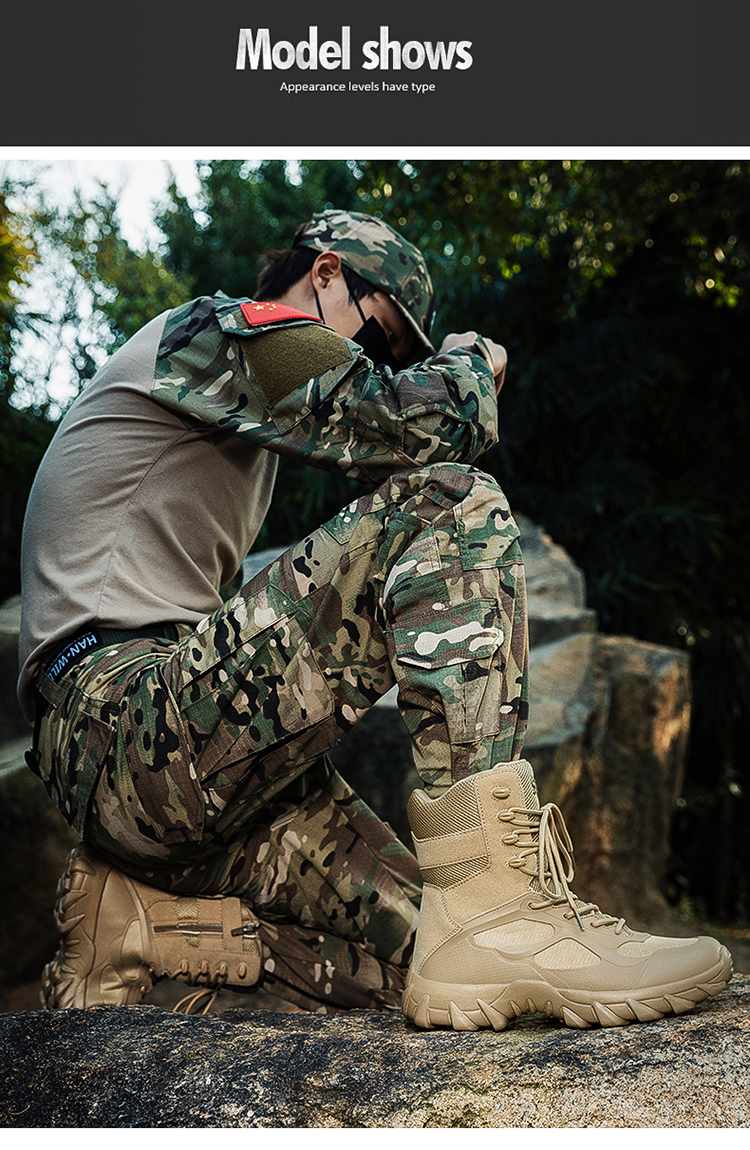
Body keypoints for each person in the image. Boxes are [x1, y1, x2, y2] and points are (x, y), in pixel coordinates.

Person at [19, 209, 732, 1029]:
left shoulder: (230, 417)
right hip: (119, 720)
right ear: (327, 273)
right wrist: (473, 358)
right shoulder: (216, 332)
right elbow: (420, 425)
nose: (376, 361)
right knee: (448, 505)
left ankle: (144, 922)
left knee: (430, 959)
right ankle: (499, 904)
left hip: (169, 765)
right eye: (382, 334)